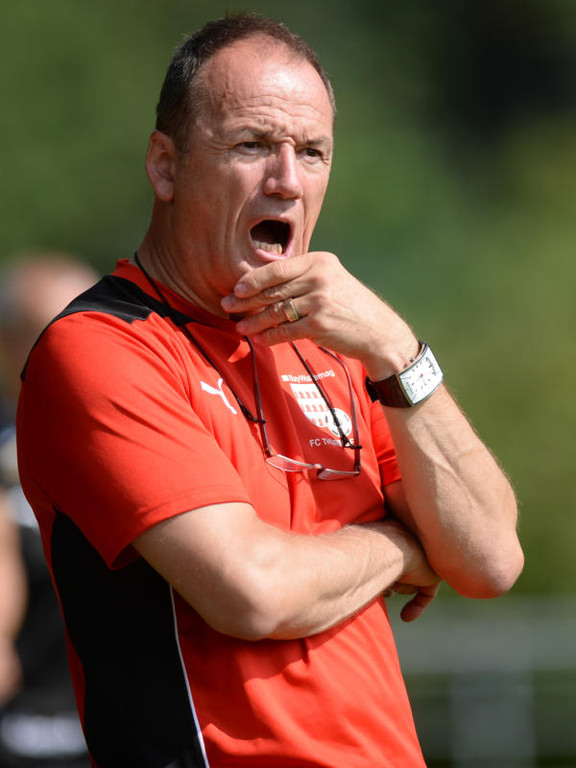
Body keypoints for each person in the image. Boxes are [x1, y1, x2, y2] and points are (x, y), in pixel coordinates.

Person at [16, 14, 524, 768]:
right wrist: (397, 544)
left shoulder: (341, 347)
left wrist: (398, 349)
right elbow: (253, 591)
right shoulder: (101, 347)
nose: (287, 179)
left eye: (311, 152)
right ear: (166, 166)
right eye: (252, 145)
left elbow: (488, 559)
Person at [0, 254, 97, 767]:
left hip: (125, 735)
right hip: (20, 730)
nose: (78, 350)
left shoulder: (141, 444)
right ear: (6, 344)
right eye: (52, 331)